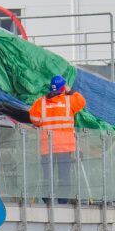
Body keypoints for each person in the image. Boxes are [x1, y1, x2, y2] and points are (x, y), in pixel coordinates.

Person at [29, 74, 86, 202]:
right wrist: (70, 91)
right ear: (63, 88)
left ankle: (47, 201)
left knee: (47, 176)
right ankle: (63, 202)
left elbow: (34, 119)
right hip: (64, 146)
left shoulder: (41, 102)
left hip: (47, 146)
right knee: (64, 176)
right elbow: (82, 101)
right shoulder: (69, 101)